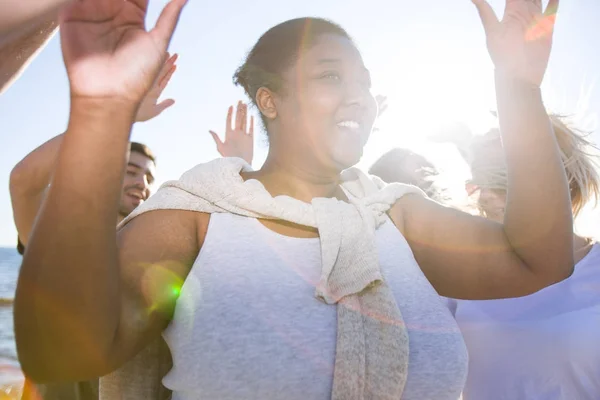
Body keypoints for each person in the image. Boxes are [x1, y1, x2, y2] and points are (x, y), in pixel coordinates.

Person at [14, 0, 573, 399]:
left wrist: (519, 86)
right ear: (270, 101)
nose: (358, 94)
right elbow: (62, 352)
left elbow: (538, 259)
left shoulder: (393, 214)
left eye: (363, 81)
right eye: (331, 75)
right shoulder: (196, 217)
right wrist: (102, 108)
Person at [10, 54, 175, 400]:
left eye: (148, 177)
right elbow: (24, 181)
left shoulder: (154, 253)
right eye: (130, 171)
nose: (141, 184)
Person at [446, 114, 600, 399]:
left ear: (560, 179)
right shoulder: (458, 278)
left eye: (501, 180)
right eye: (478, 185)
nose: (486, 197)